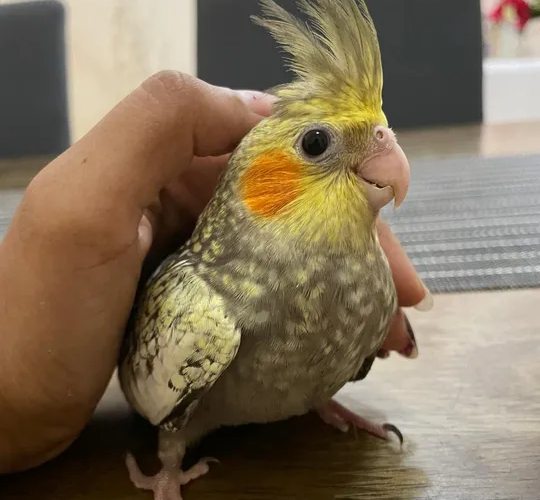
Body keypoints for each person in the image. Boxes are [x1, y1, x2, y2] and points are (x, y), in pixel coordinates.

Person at [0, 71, 432, 474]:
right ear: (253, 180)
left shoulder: (374, 287)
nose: (385, 146)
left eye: (382, 135)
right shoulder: (202, 311)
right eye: (316, 144)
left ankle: (315, 404)